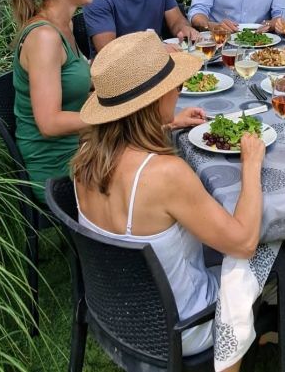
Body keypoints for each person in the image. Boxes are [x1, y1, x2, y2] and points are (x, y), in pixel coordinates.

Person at [72, 31, 264, 367]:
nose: (178, 90)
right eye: (173, 85)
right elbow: (244, 242)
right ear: (154, 99)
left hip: (122, 314)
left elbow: (127, 146)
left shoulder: (85, 157)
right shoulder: (165, 174)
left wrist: (169, 123)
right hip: (180, 326)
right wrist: (251, 165)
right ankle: (242, 340)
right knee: (266, 246)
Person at [11, 0, 96, 202]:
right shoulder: (44, 38)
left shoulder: (64, 26)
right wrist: (114, 117)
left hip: (80, 147)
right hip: (57, 170)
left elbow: (87, 77)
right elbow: (49, 123)